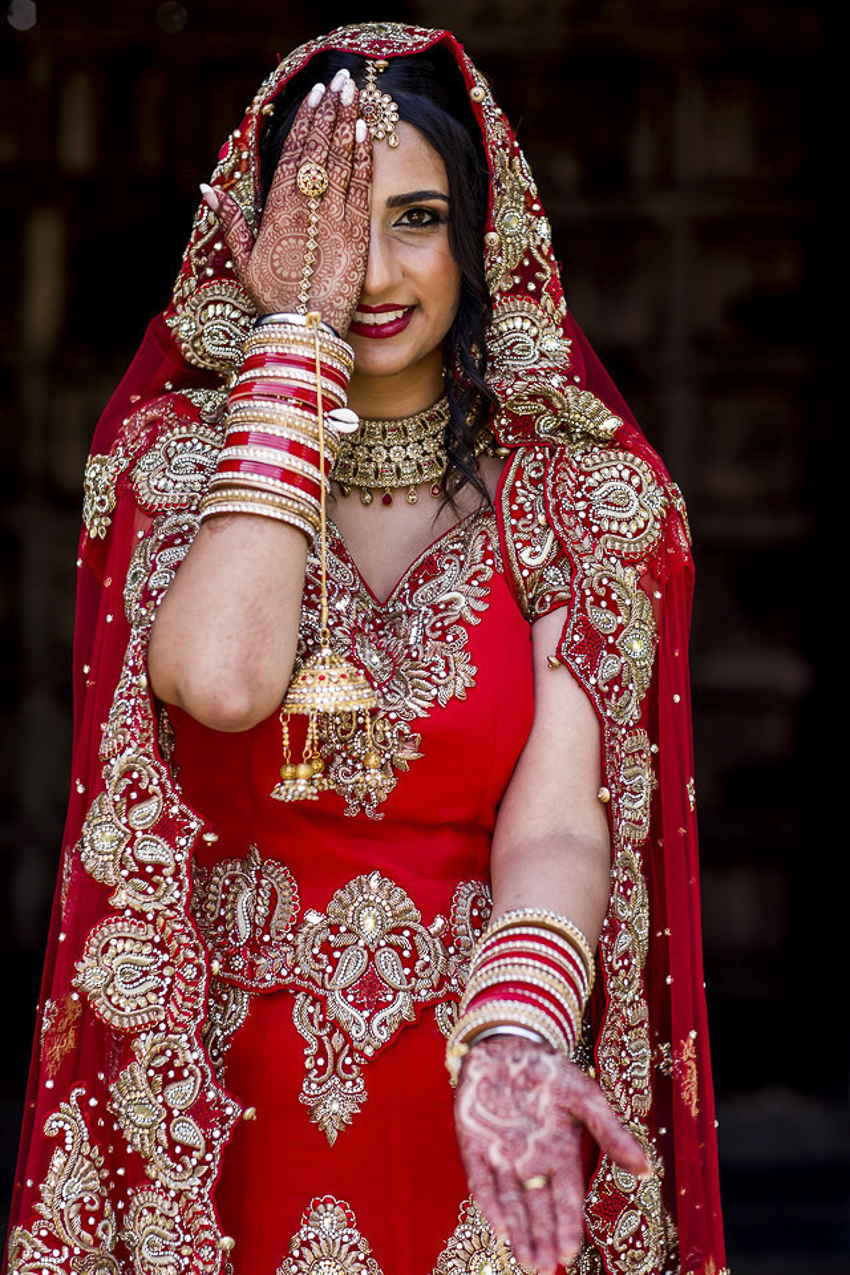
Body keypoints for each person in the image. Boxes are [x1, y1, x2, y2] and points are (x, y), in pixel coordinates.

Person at [3, 22, 726, 1275]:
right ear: (249, 232)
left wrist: (515, 1037)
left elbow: (558, 823)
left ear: (482, 234)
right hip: (220, 1120)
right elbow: (222, 685)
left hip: (483, 1099)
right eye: (324, 214)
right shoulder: (172, 470)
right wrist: (297, 345)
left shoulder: (581, 497)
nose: (369, 267)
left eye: (414, 217)